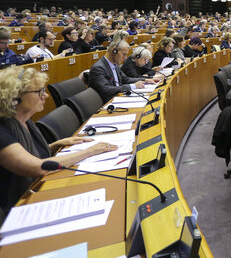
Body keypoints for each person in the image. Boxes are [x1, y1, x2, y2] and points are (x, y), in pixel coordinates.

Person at [0, 67, 117, 213]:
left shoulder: (25, 120)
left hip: (38, 190)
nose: (46, 96)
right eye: (39, 91)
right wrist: (89, 152)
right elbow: (38, 167)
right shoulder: (3, 131)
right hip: (17, 208)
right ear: (15, 97)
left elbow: (28, 153)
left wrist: (53, 145)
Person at [89, 40, 155, 102]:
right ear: (114, 51)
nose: (126, 57)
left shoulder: (114, 65)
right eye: (124, 54)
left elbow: (125, 79)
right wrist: (132, 86)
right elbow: (105, 89)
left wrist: (144, 80)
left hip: (119, 98)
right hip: (109, 103)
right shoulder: (99, 68)